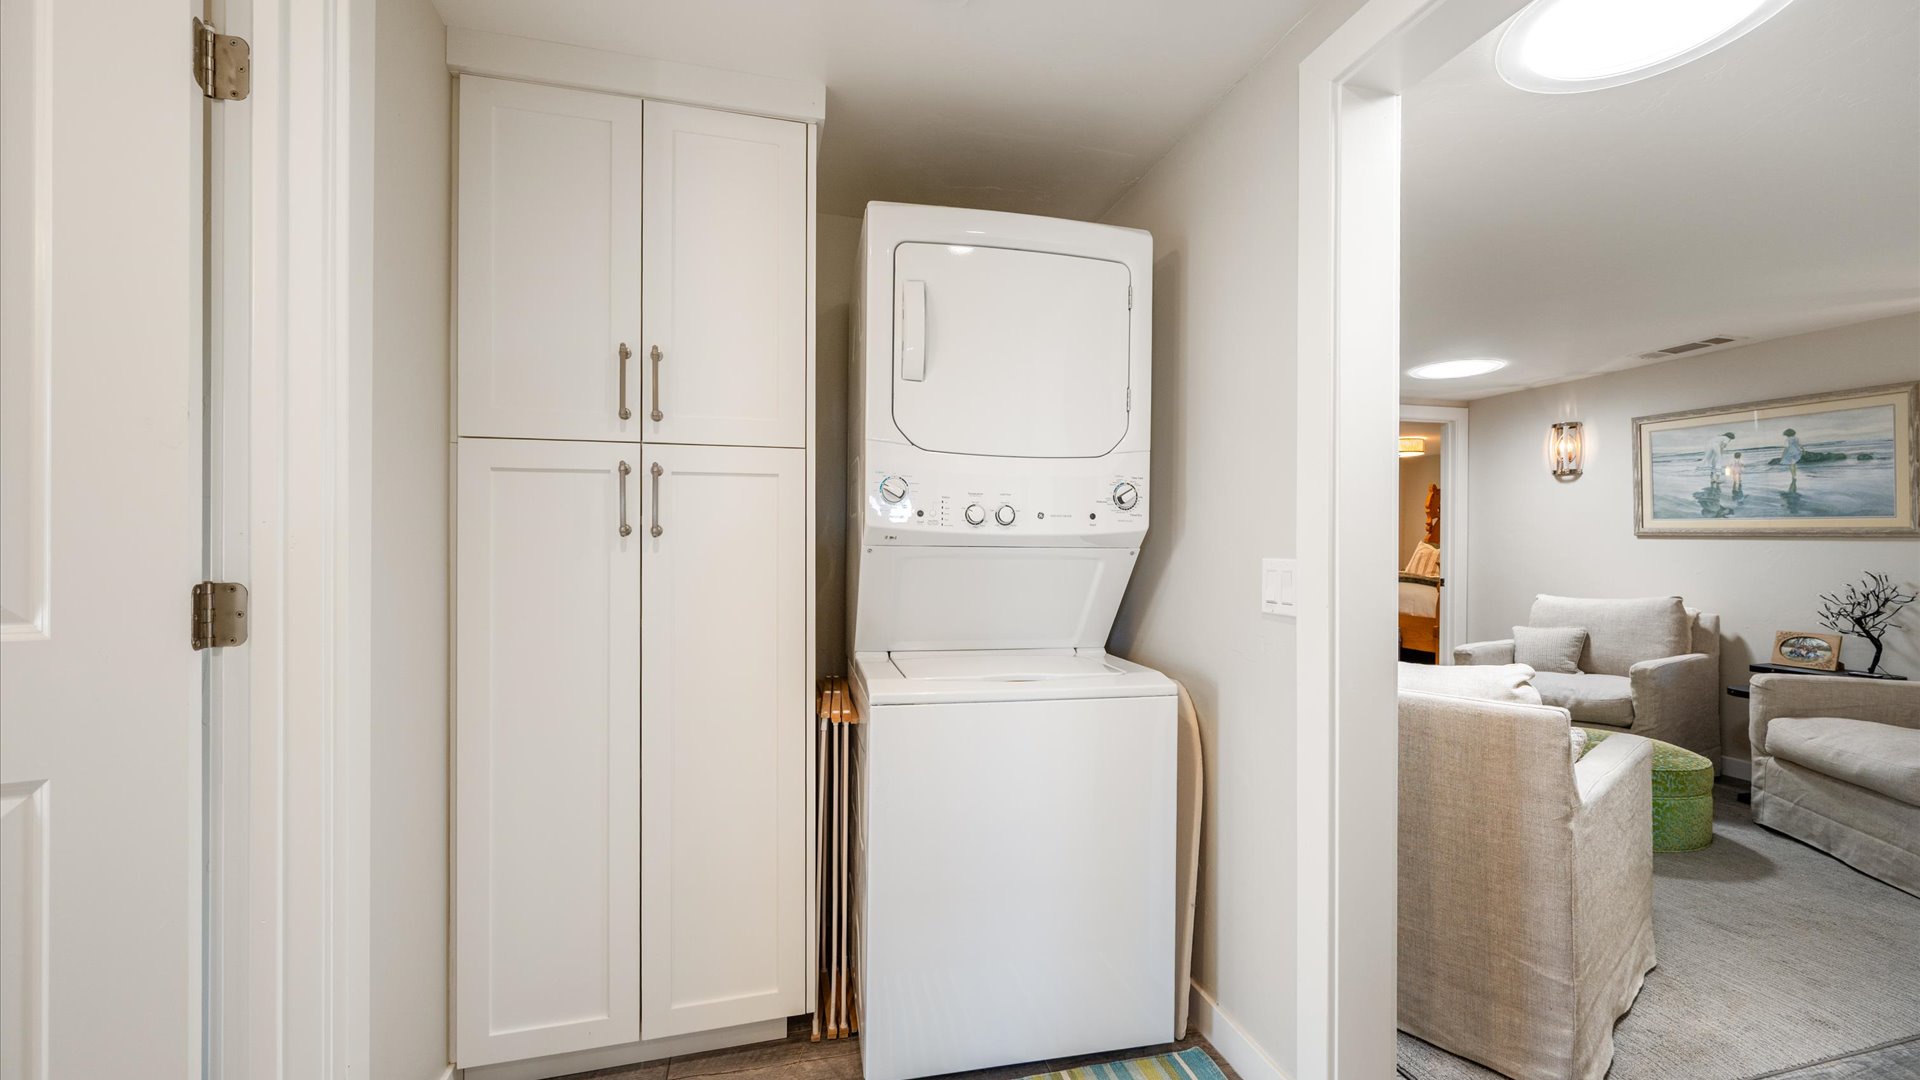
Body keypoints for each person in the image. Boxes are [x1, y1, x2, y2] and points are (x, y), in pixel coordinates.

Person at [1781, 427, 1804, 491]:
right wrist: (1803, 450)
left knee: (1791, 464)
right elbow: (1800, 445)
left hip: (1790, 452)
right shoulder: (1797, 438)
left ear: (1787, 434)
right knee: (1794, 464)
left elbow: (1786, 447)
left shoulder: (1787, 440)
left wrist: (1782, 454)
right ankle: (1795, 475)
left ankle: (1793, 476)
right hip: (1797, 451)